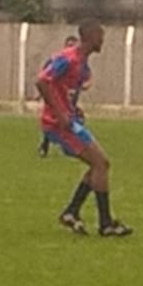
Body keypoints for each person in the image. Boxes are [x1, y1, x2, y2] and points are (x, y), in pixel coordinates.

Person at [35, 21, 132, 237]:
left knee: (99, 165)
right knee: (101, 164)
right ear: (90, 36)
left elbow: (62, 89)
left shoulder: (82, 63)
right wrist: (60, 114)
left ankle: (72, 212)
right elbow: (42, 81)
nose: (103, 40)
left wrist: (72, 109)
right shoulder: (68, 58)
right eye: (100, 36)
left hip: (70, 121)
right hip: (59, 124)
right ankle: (105, 224)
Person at [36, 35, 84, 158]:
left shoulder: (79, 62)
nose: (71, 48)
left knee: (76, 120)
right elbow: (44, 78)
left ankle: (71, 147)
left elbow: (87, 77)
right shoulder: (58, 59)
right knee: (54, 121)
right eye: (69, 45)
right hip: (57, 99)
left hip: (71, 100)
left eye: (73, 45)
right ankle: (45, 145)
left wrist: (83, 85)